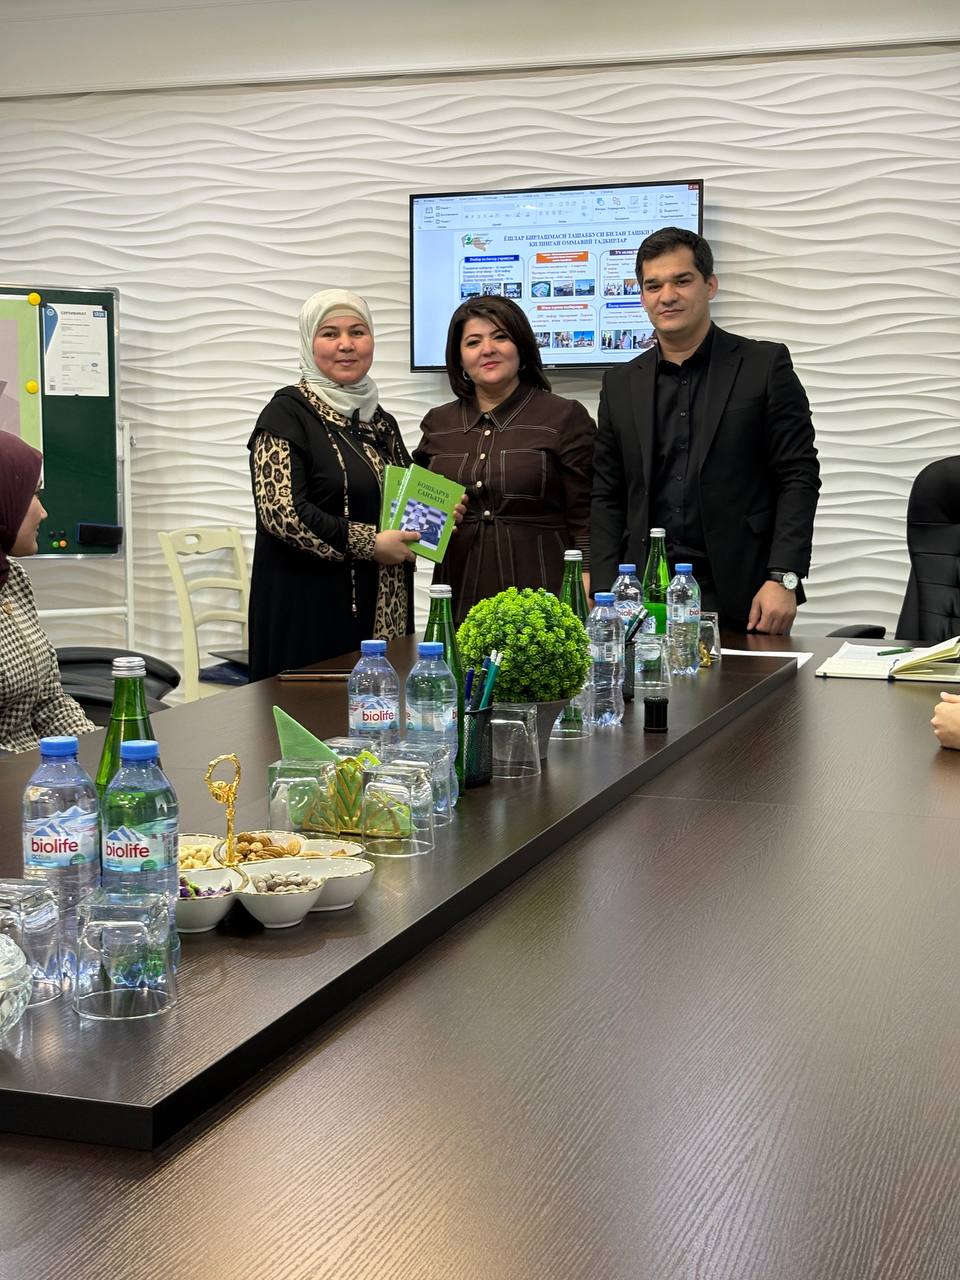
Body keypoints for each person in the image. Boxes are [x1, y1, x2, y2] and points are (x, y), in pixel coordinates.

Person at [591, 227, 821, 633]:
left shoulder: (763, 366)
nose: (667, 296)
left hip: (745, 590)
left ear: (709, 285)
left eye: (682, 280)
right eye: (653, 285)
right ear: (642, 296)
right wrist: (605, 589)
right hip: (644, 595)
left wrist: (784, 576)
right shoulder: (620, 384)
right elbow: (608, 494)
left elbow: (798, 476)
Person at [247, 289, 422, 680]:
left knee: (379, 708)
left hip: (383, 609)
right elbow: (282, 514)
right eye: (330, 333)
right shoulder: (285, 414)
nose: (346, 344)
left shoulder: (380, 421)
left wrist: (436, 515)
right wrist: (369, 543)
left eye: (357, 332)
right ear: (309, 343)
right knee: (314, 714)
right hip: (310, 612)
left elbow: (401, 495)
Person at [414, 295, 595, 625]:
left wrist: (586, 580)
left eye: (500, 337)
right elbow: (416, 522)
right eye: (473, 342)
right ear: (459, 358)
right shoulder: (438, 423)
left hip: (546, 590)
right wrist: (432, 520)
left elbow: (587, 513)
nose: (487, 349)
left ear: (522, 347)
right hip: (460, 590)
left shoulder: (564, 416)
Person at [0, 432, 95, 752]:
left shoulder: (13, 578)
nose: (43, 513)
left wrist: (102, 751)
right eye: (33, 495)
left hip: (43, 770)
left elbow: (49, 703)